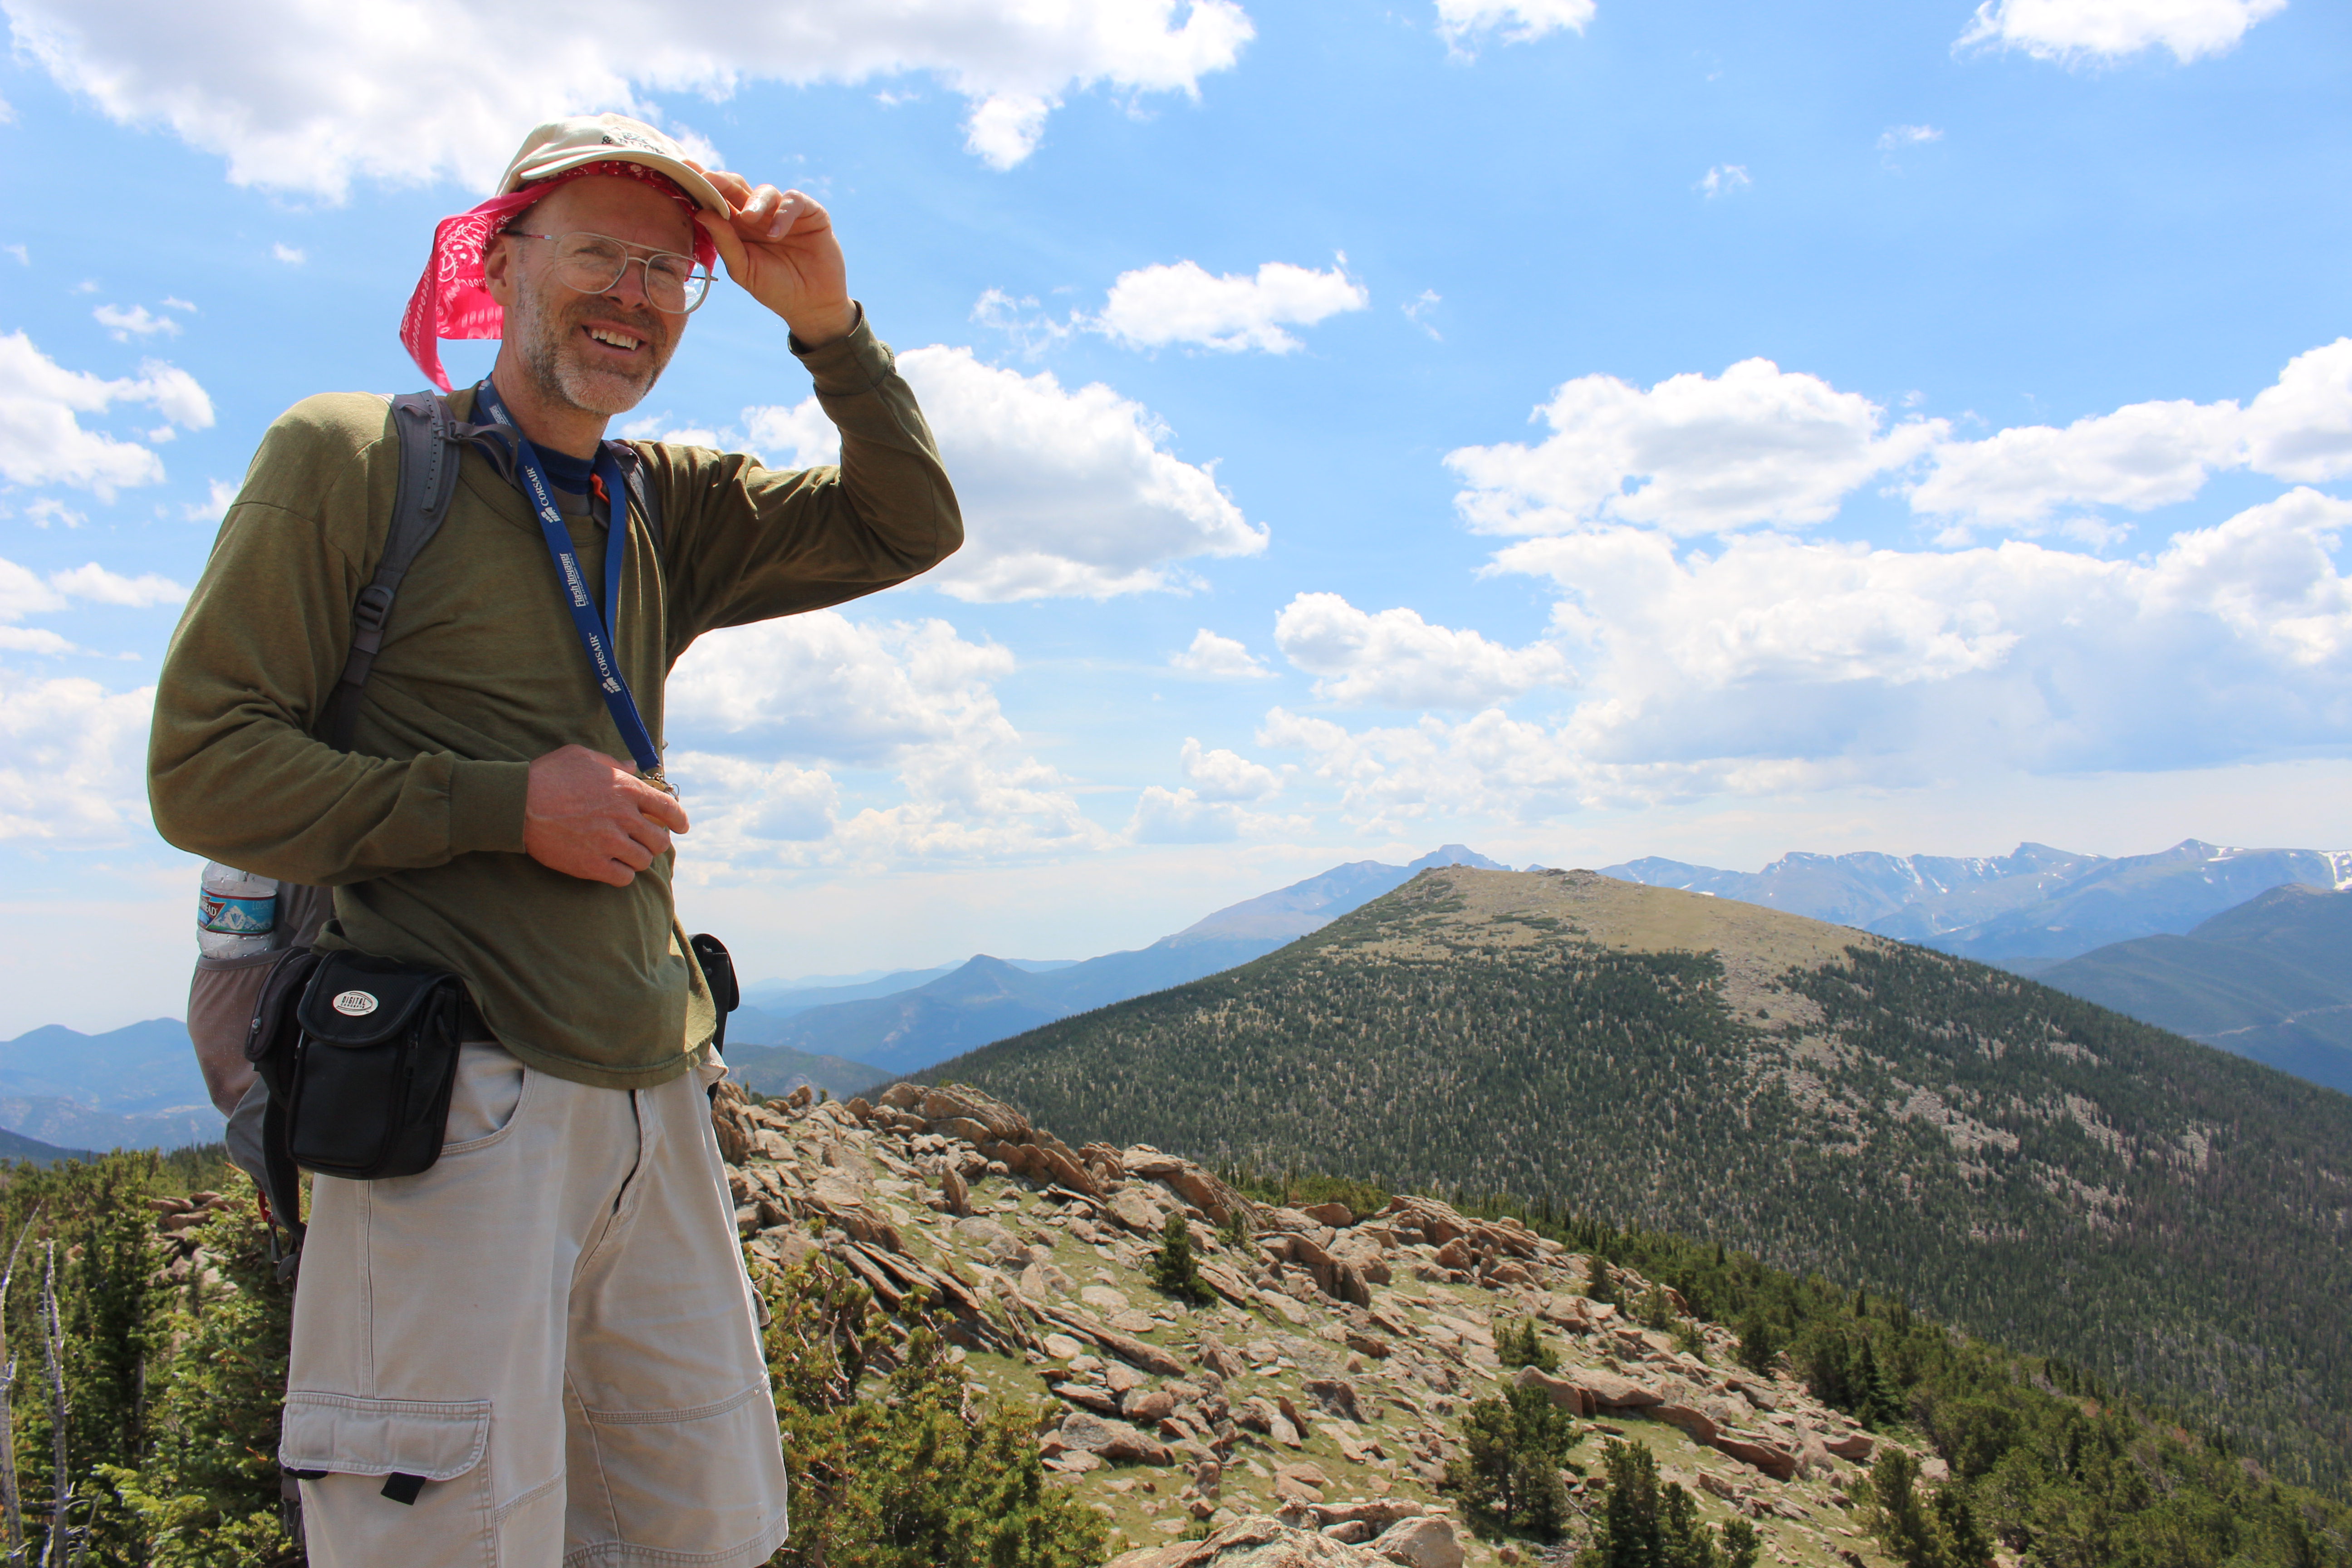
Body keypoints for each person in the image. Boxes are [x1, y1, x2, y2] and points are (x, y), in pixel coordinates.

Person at [147, 113, 960, 1566]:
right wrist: (509, 804)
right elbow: (204, 771)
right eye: (596, 249)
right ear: (501, 255)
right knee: (444, 1542)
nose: (632, 294)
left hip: (658, 1094)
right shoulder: (349, 459)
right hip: (450, 1101)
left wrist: (831, 327)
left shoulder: (665, 502)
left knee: (695, 1533)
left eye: (670, 269)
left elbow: (908, 525)